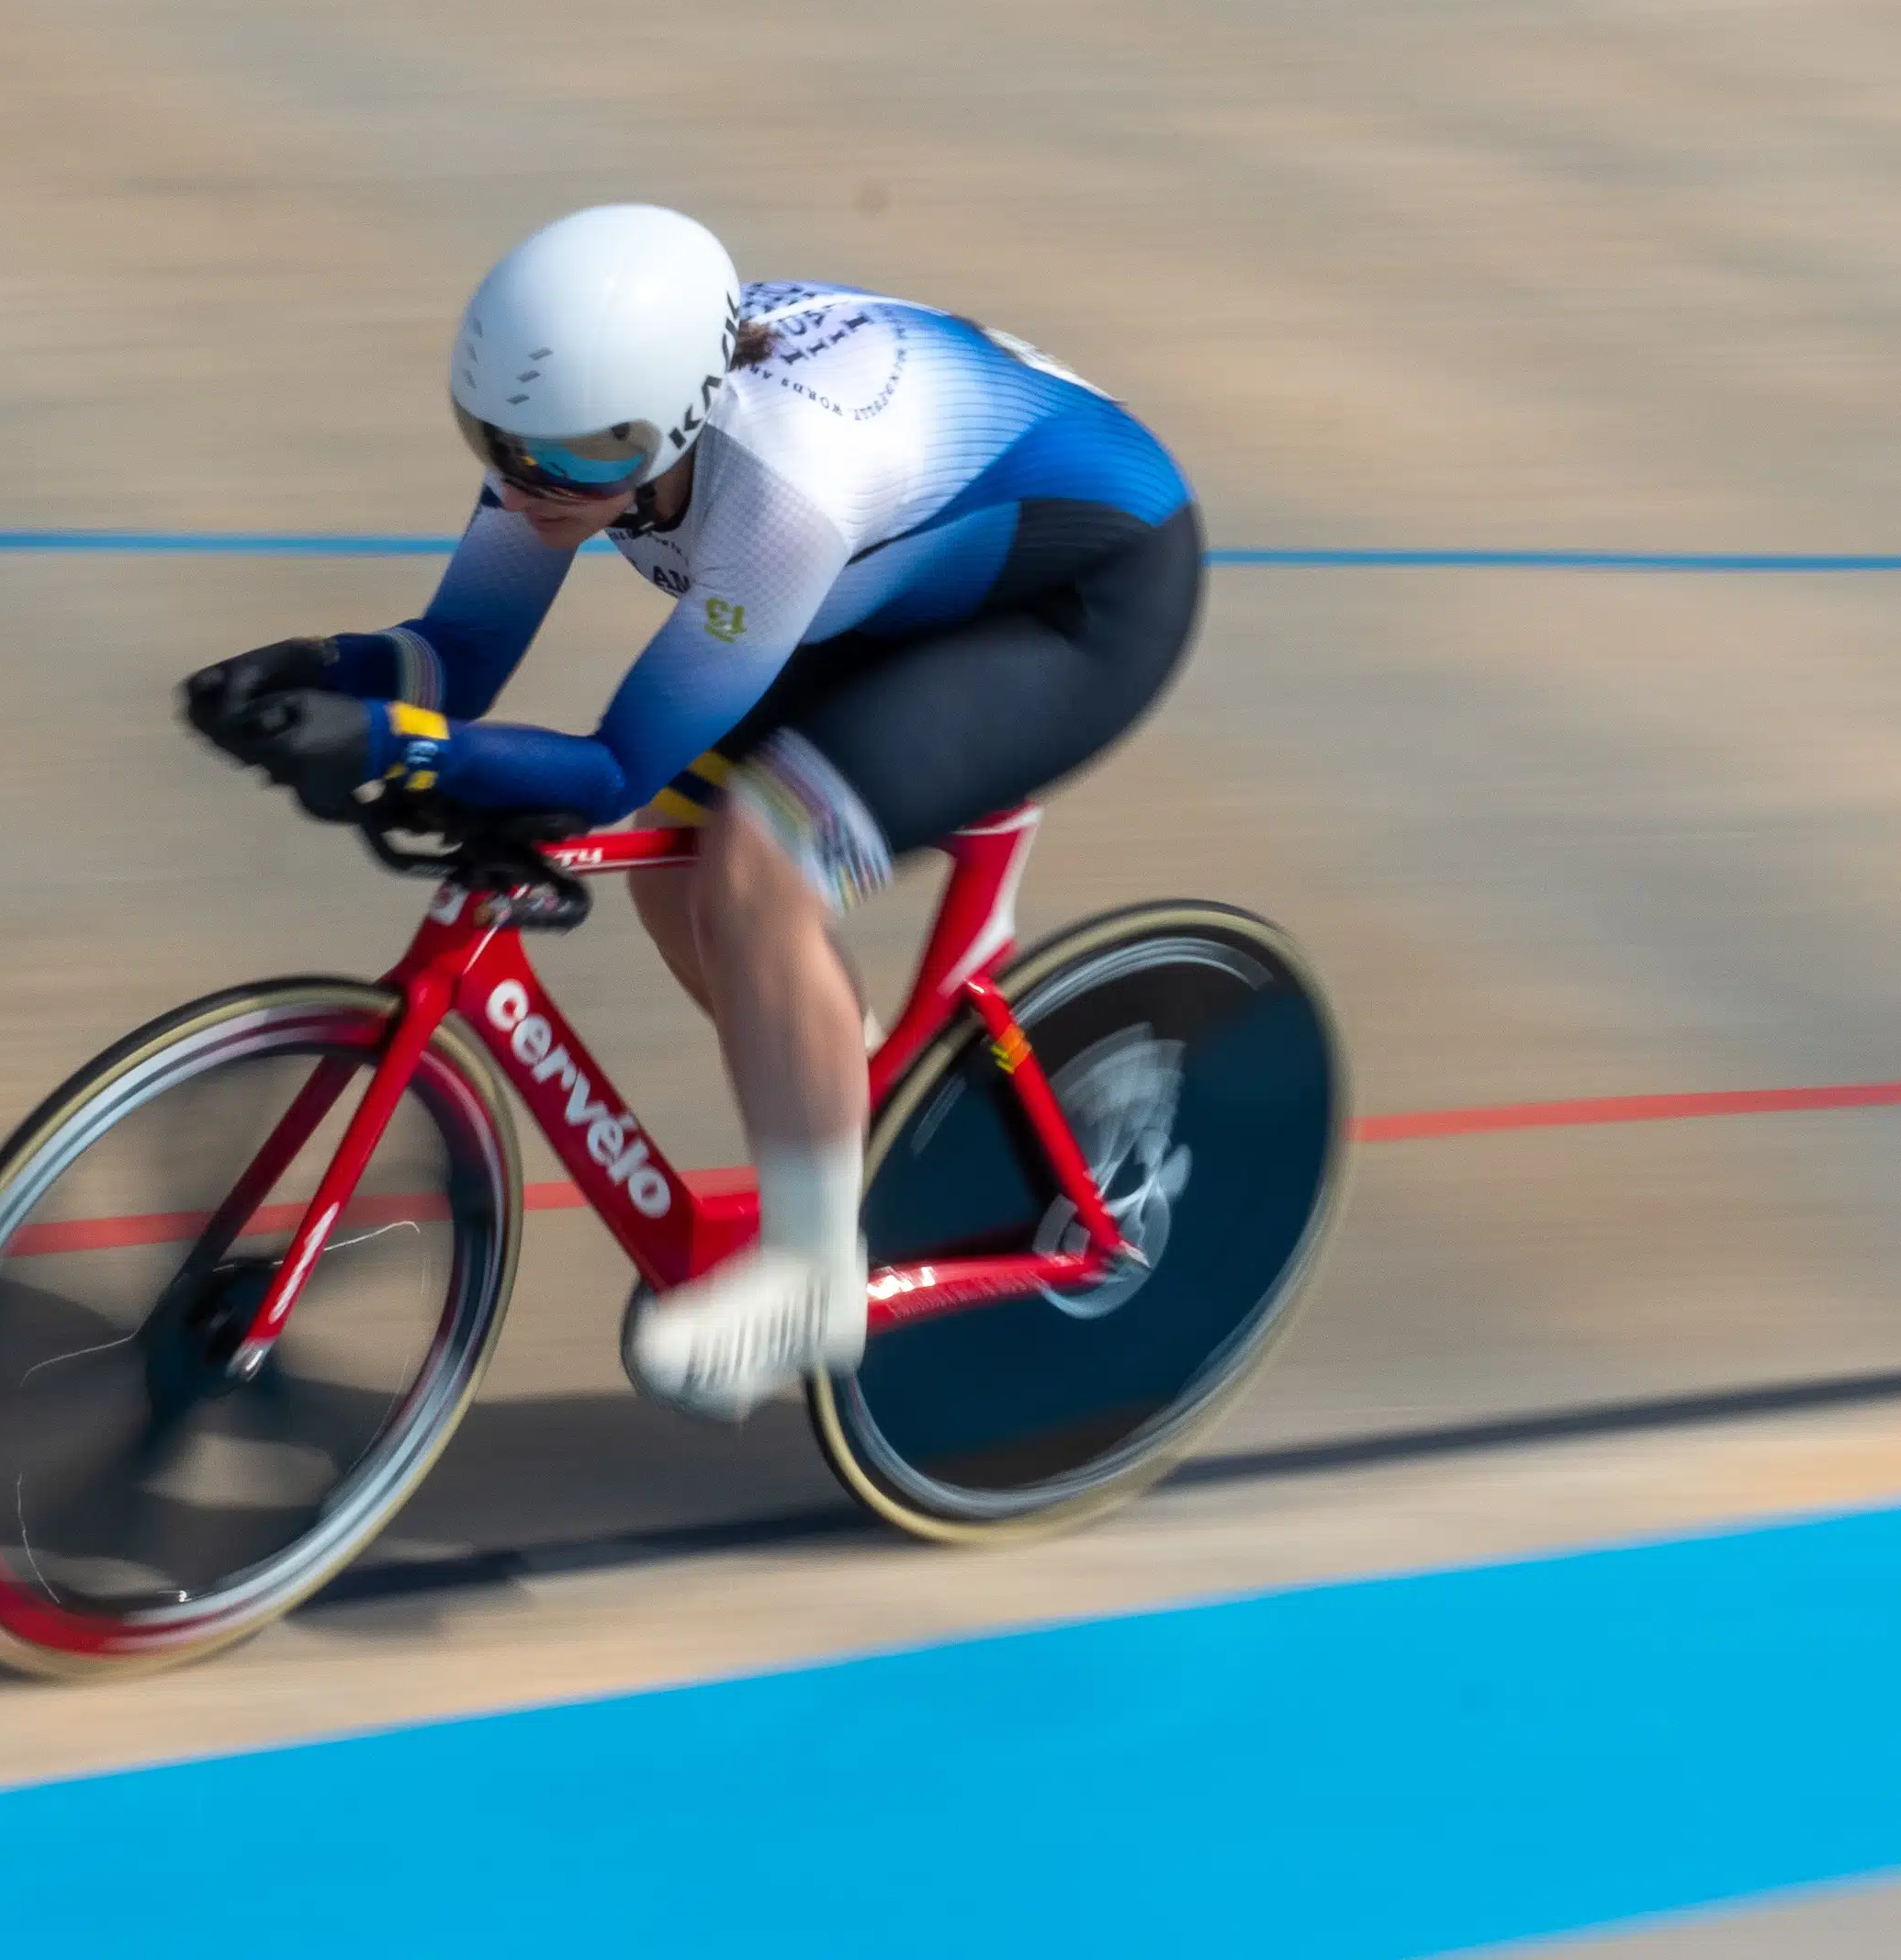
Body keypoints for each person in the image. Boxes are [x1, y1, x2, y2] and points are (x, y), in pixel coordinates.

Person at [184, 205, 1202, 1420]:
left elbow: (610, 764)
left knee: (754, 861)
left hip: (1078, 605)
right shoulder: (577, 424)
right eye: (497, 446)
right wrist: (322, 673)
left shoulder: (777, 490)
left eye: (569, 465)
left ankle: (812, 1275)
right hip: (897, 578)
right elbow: (460, 650)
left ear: (670, 425)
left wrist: (396, 750)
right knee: (674, 865)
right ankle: (843, 1099)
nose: (530, 488)